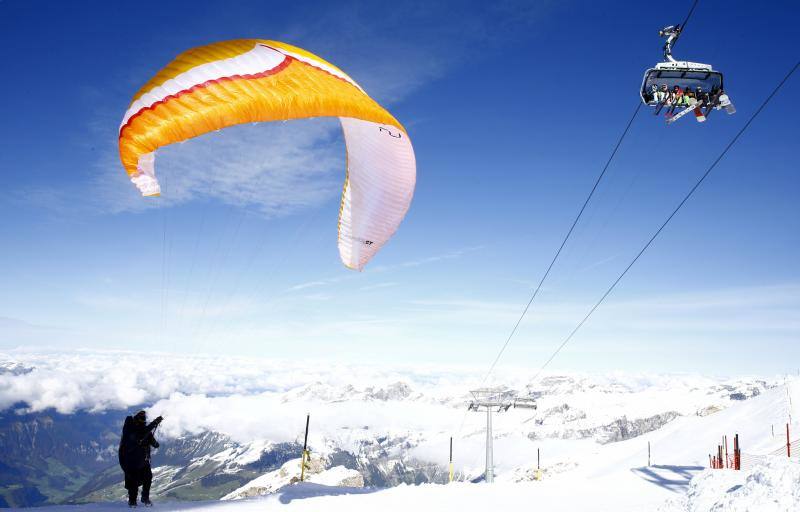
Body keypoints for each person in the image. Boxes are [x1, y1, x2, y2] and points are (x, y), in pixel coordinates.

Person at [119, 411, 163, 507]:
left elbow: (150, 439)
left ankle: (145, 497)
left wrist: (154, 443)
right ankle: (132, 500)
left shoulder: (143, 429)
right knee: (133, 481)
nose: (143, 421)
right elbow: (141, 434)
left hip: (143, 461)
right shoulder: (129, 429)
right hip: (132, 461)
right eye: (142, 419)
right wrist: (155, 423)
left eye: (144, 419)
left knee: (148, 478)